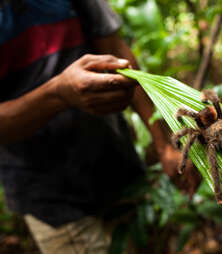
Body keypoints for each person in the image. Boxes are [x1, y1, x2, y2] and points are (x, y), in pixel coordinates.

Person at [0, 0, 200, 253]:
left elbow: (119, 55)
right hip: (49, 196)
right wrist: (58, 94)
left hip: (116, 167)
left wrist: (166, 145)